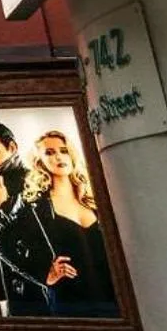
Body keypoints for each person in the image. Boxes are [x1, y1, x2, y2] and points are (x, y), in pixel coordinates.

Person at [21, 130, 119, 318]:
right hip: (70, 301)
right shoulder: (36, 207)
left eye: (64, 150)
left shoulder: (95, 198)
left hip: (113, 295)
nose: (58, 156)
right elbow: (4, 245)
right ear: (39, 162)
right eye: (49, 152)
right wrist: (44, 274)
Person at [0, 121, 53, 317]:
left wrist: (3, 205)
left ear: (12, 147)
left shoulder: (32, 181)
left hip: (36, 276)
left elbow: (35, 233)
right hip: (9, 273)